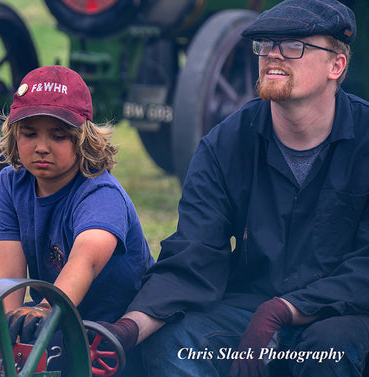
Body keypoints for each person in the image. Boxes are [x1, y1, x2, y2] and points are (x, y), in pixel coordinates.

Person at [98, 0, 369, 376]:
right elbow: (194, 254)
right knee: (172, 342)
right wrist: (127, 329)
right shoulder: (225, 143)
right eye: (265, 44)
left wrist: (282, 311)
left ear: (336, 66)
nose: (273, 55)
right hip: (249, 310)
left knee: (331, 350)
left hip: (345, 313)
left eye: (294, 46)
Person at [0, 65, 154, 372]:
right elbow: (7, 279)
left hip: (113, 339)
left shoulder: (100, 194)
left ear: (82, 138)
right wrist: (4, 338)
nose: (41, 147)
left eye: (58, 135)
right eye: (29, 133)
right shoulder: (11, 185)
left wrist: (45, 308)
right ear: (13, 133)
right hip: (55, 328)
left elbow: (85, 261)